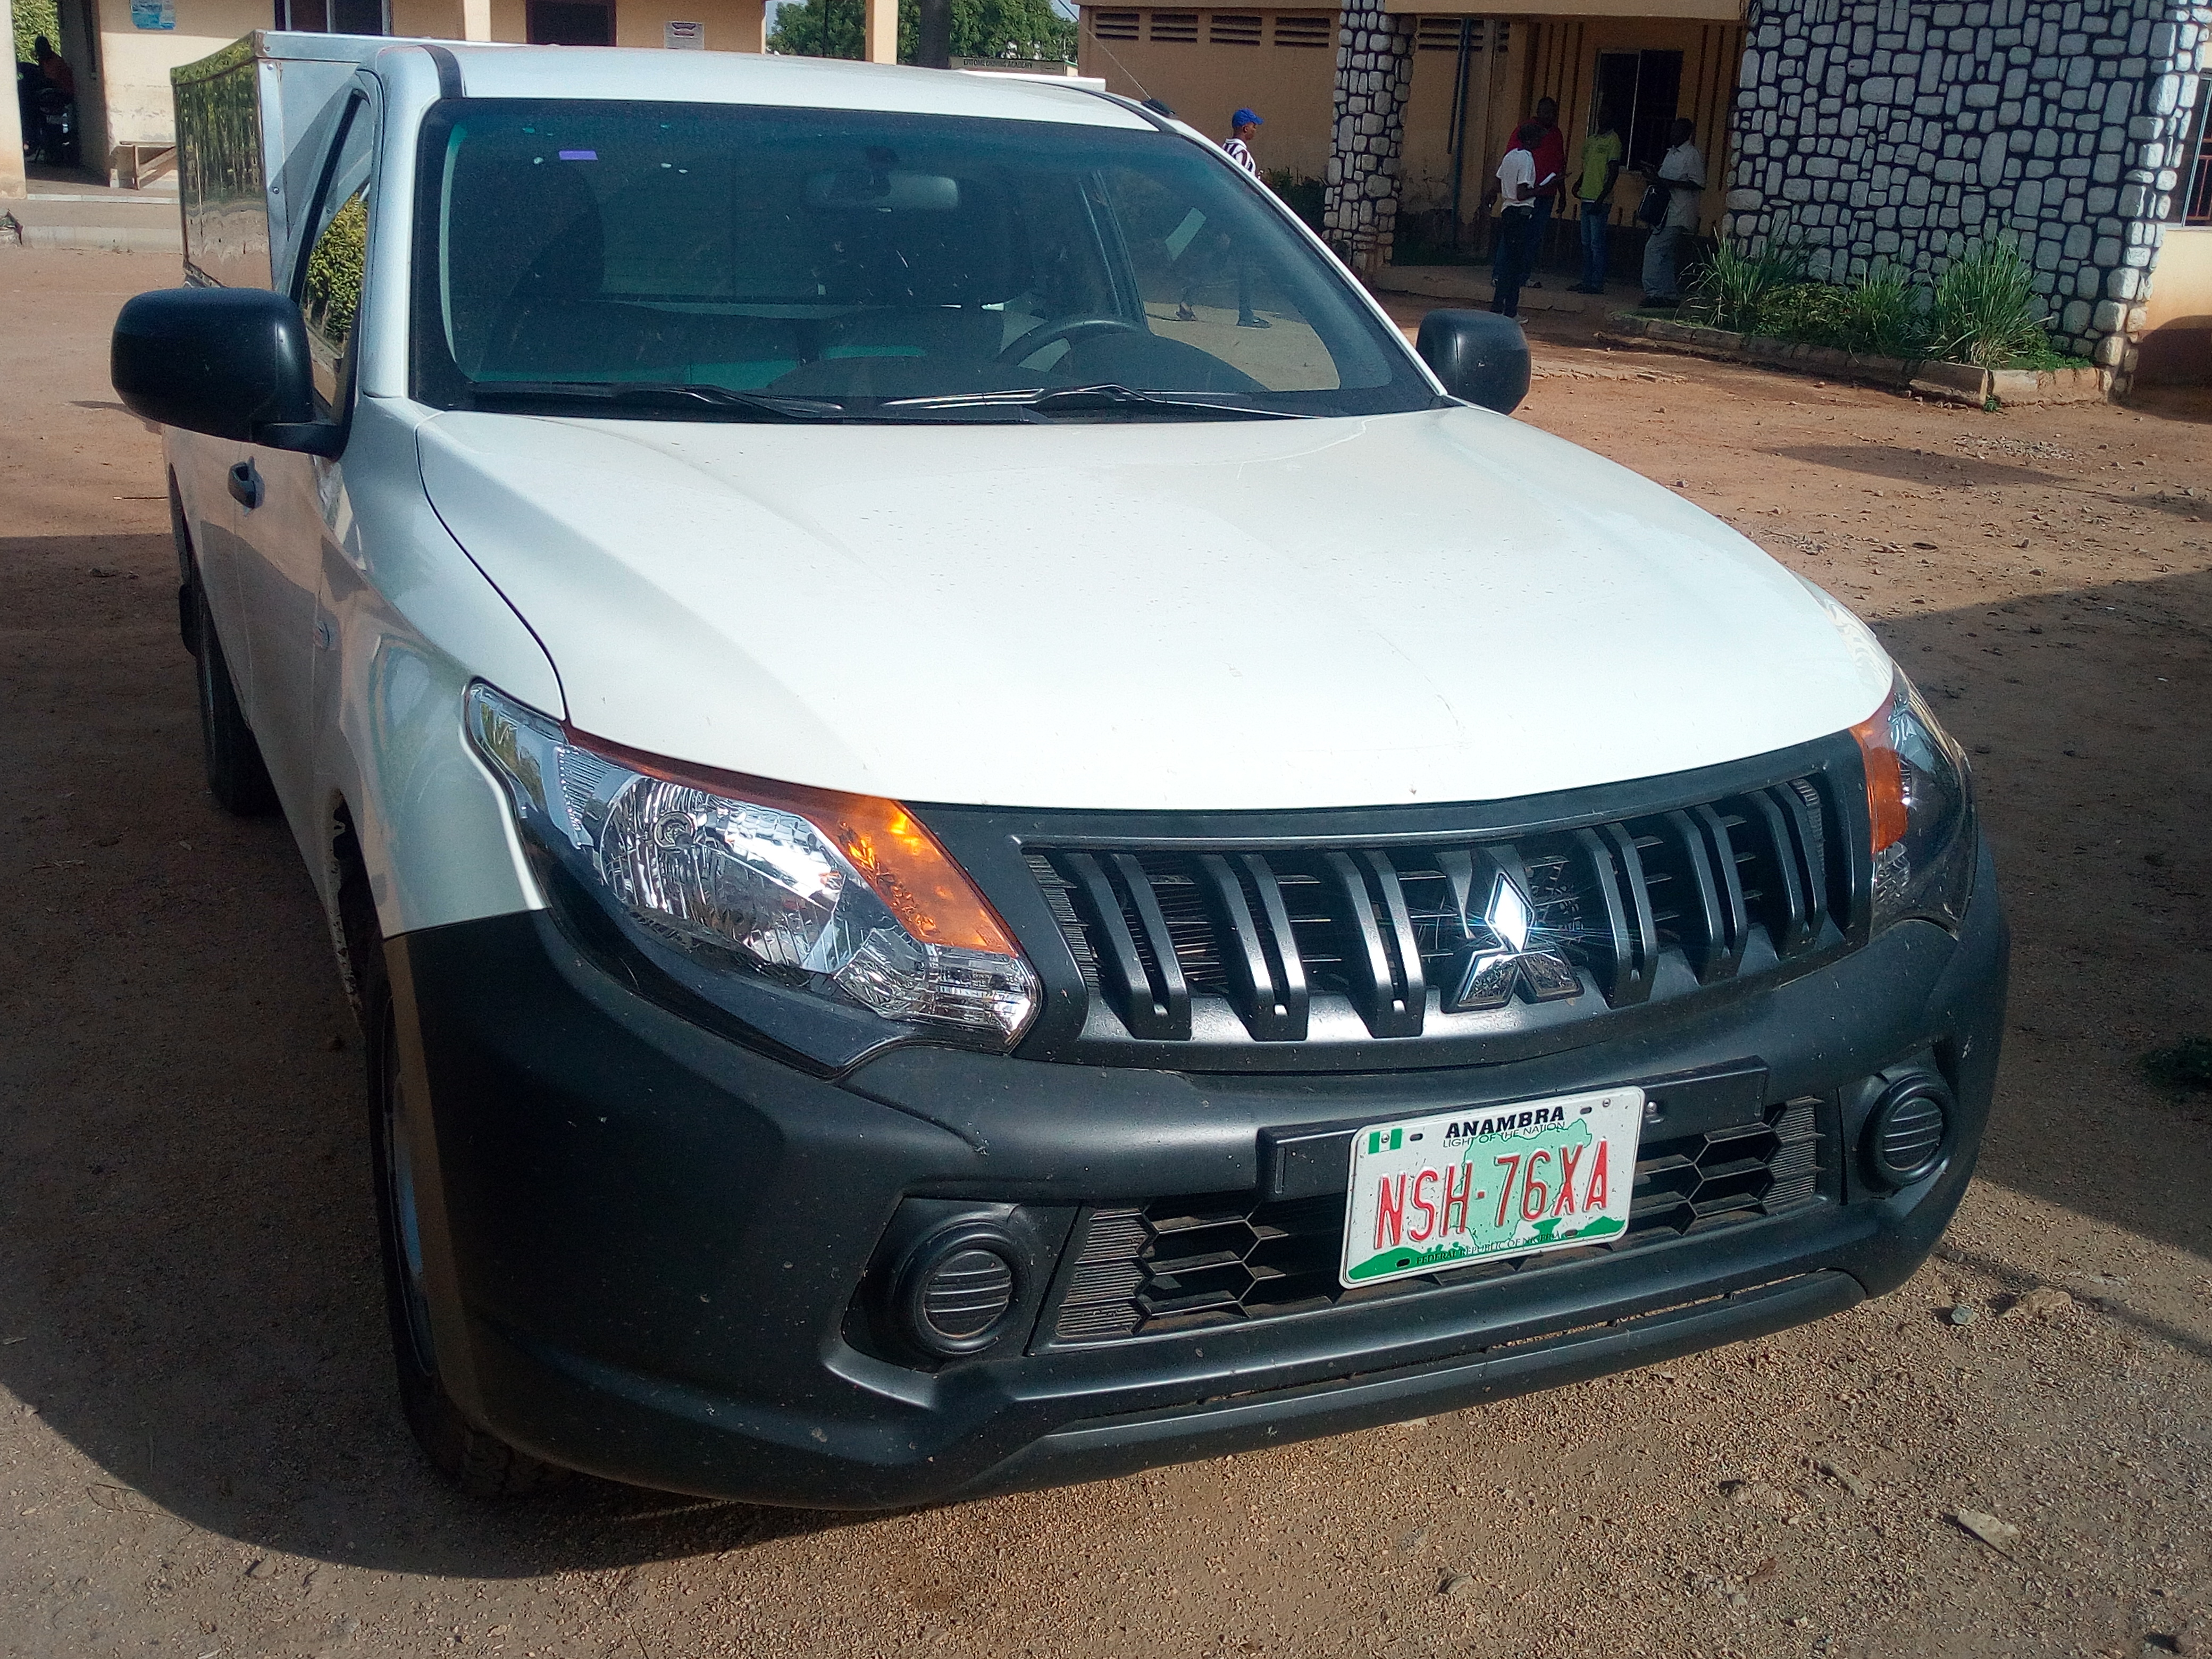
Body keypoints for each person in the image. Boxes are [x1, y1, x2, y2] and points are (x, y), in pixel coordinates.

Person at [1639, 115, 1706, 307]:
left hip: (1680, 212)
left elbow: (1699, 184)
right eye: (1672, 130)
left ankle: (1654, 293)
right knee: (1666, 255)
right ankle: (1669, 295)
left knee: (1654, 250)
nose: (1672, 133)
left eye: (1677, 130)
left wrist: (1667, 182)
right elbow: (1662, 180)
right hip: (1665, 212)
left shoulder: (1692, 155)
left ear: (1687, 134)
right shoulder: (1671, 153)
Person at [1570, 106, 1624, 295]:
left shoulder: (1613, 141)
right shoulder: (1591, 140)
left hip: (1600, 200)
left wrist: (1601, 200)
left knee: (1596, 244)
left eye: (1607, 115)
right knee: (1586, 243)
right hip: (1586, 197)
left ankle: (1596, 283)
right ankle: (1586, 281)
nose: (1602, 117)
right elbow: (1587, 167)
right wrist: (1578, 184)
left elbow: (1614, 173)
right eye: (1601, 114)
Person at [1489, 123, 1541, 320]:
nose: (1540, 141)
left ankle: (1499, 307)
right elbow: (1522, 194)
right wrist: (1542, 188)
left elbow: (1498, 181)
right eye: (1537, 138)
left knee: (1508, 262)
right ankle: (1509, 310)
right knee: (1515, 265)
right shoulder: (1527, 159)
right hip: (1520, 213)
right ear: (1529, 140)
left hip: (1507, 210)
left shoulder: (1510, 155)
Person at [1521, 97, 1565, 290]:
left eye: (1553, 113)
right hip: (1527, 193)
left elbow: (1560, 165)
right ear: (1538, 112)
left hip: (1548, 193)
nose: (1550, 116)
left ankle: (1524, 276)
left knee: (1534, 238)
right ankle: (1502, 275)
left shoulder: (1557, 134)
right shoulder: (1528, 129)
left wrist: (1562, 194)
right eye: (1546, 112)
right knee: (1518, 236)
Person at [1221, 107, 1261, 175]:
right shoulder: (1241, 153)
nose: (1255, 130)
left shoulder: (1225, 147)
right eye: (1254, 127)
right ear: (1246, 129)